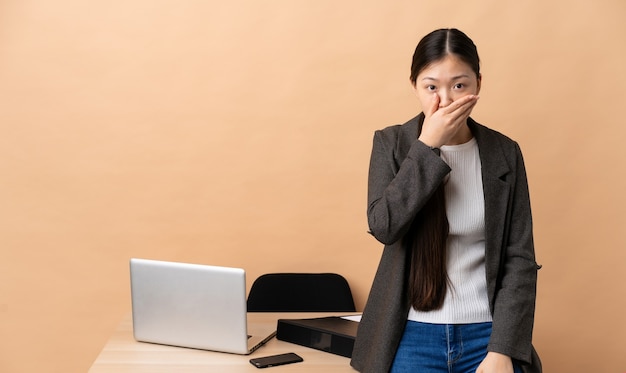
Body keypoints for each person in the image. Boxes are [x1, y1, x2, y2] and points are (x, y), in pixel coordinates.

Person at [350, 28, 542, 373]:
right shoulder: (391, 144)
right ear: (414, 86)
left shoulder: (504, 152)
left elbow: (520, 257)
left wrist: (501, 351)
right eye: (431, 86)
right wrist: (427, 148)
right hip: (408, 333)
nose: (446, 100)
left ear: (478, 84)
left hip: (488, 335)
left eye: (459, 85)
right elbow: (384, 226)